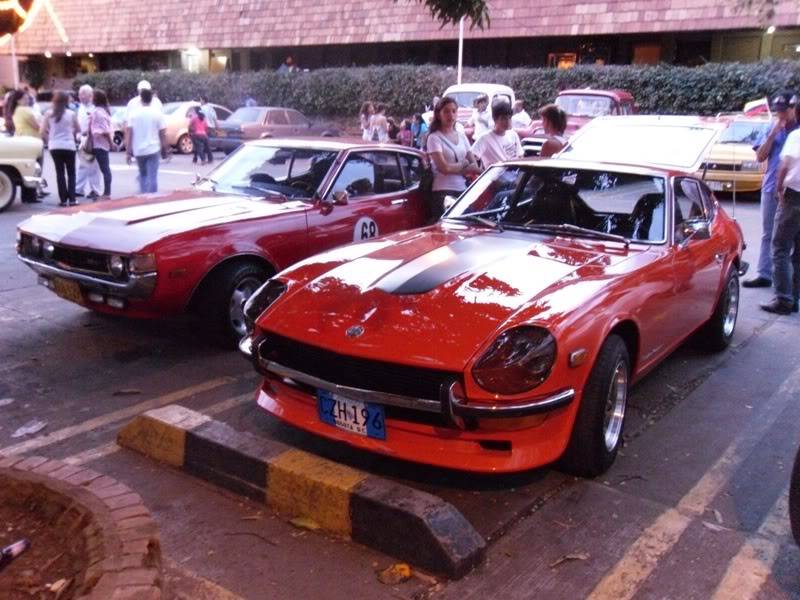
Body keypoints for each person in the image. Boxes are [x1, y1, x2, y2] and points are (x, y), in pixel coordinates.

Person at [745, 90, 799, 288]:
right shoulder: (772, 127)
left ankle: (787, 281)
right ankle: (764, 273)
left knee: (790, 237)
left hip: (792, 190)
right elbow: (760, 157)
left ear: (794, 109)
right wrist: (772, 134)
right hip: (770, 188)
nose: (780, 115)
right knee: (768, 233)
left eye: (784, 111)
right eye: (778, 111)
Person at [761, 102, 800, 315]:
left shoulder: (796, 136)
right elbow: (760, 156)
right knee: (797, 251)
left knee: (780, 247)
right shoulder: (777, 130)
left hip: (794, 196)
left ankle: (783, 299)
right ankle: (794, 298)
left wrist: (779, 190)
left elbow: (783, 166)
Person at [426, 96, 481, 221]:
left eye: (453, 111)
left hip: (463, 190)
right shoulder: (434, 138)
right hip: (443, 193)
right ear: (438, 114)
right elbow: (443, 168)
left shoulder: (461, 136)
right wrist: (464, 166)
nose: (450, 115)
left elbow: (473, 164)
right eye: (446, 111)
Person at [40, 91, 80, 207]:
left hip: (54, 146)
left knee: (60, 173)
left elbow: (42, 131)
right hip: (69, 145)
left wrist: (49, 140)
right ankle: (72, 199)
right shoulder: (71, 114)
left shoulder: (48, 114)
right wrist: (70, 131)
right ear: (66, 101)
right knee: (71, 173)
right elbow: (78, 129)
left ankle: (63, 200)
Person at [125, 88, 168, 194]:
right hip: (153, 149)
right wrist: (165, 148)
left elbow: (130, 133)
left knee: (143, 175)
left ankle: (144, 197)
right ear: (151, 100)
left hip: (139, 151)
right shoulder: (157, 113)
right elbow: (162, 133)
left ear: (141, 100)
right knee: (153, 176)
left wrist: (128, 152)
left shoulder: (134, 114)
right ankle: (153, 198)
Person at [11, 89, 46, 202]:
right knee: (35, 169)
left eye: (27, 98)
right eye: (24, 98)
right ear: (18, 100)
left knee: (27, 169)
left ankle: (27, 196)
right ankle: (31, 196)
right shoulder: (25, 110)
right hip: (32, 142)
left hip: (22, 140)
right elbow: (37, 126)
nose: (27, 100)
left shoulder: (16, 110)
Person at [470, 101, 523, 168]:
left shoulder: (513, 135)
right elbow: (471, 157)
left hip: (516, 175)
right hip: (496, 177)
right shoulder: (485, 138)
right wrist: (481, 173)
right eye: (503, 118)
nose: (508, 121)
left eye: (509, 118)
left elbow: (520, 156)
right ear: (495, 119)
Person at [76, 84, 102, 200]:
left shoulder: (95, 107)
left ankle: (95, 190)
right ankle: (78, 189)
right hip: (82, 139)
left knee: (93, 166)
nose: (80, 96)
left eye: (83, 94)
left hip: (92, 139)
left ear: (90, 95)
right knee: (83, 165)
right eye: (79, 94)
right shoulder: (81, 107)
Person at [90, 89, 113, 200]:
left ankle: (107, 193)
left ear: (96, 99)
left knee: (104, 169)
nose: (91, 98)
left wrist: (111, 142)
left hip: (100, 144)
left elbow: (105, 131)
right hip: (101, 144)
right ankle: (103, 191)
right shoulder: (103, 111)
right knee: (103, 168)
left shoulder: (97, 113)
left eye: (92, 96)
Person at [199, 96, 217, 164]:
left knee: (203, 144)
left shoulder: (201, 108)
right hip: (211, 127)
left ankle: (206, 158)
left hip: (205, 128)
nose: (200, 102)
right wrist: (217, 128)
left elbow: (200, 118)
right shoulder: (211, 108)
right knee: (206, 143)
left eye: (200, 100)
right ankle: (209, 158)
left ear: (203, 101)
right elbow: (215, 118)